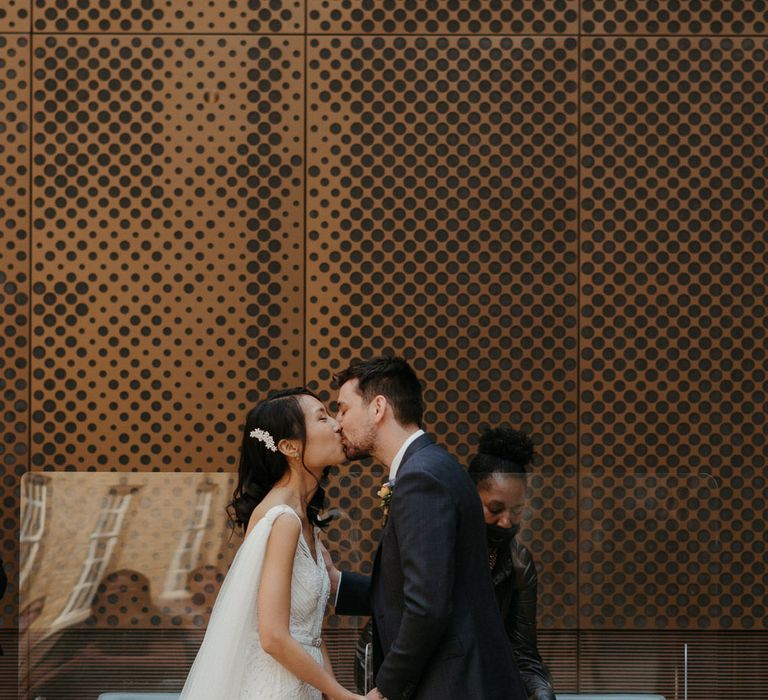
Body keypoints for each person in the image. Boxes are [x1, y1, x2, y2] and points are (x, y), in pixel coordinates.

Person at [330, 356, 528, 700]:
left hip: (453, 686)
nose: (337, 422)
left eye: (343, 409)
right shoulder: (432, 466)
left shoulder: (421, 478)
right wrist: (337, 587)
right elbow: (431, 585)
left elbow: (427, 607)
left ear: (378, 408)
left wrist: (385, 689)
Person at [180, 388, 365, 700]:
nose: (337, 424)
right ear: (289, 447)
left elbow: (310, 636)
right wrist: (344, 694)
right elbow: (273, 636)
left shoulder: (304, 519)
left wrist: (334, 695)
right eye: (322, 418)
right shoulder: (282, 519)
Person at [468, 427, 556, 700]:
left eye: (516, 511)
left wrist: (542, 692)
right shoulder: (437, 551)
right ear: (469, 496)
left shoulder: (519, 562)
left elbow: (524, 653)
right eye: (495, 509)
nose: (506, 521)